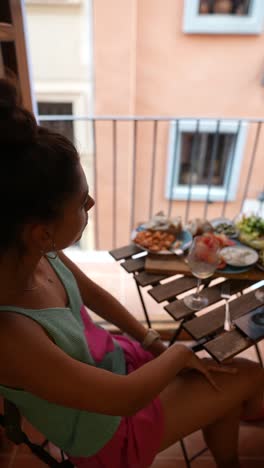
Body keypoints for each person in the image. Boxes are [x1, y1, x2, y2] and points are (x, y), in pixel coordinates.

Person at [0, 77, 263, 468]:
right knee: (245, 377)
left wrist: (151, 338)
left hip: (112, 364)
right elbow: (121, 398)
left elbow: (94, 294)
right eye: (80, 202)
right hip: (105, 429)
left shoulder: (32, 252)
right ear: (42, 231)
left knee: (219, 379)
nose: (91, 202)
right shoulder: (10, 334)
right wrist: (174, 353)